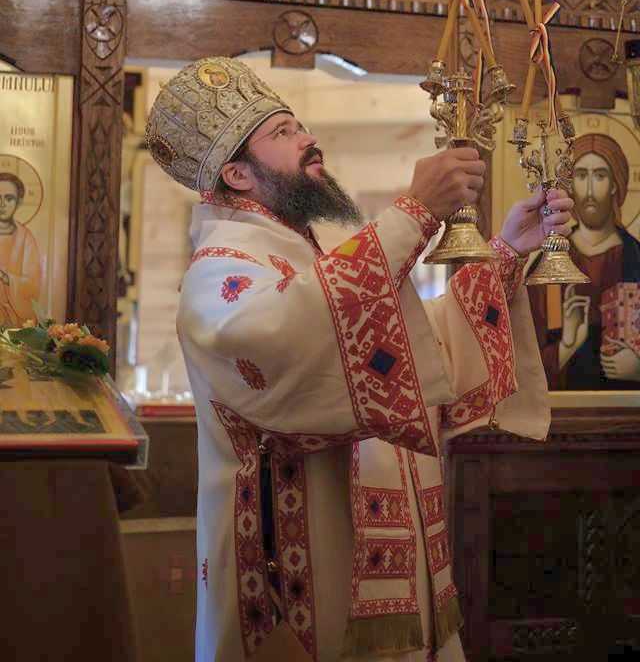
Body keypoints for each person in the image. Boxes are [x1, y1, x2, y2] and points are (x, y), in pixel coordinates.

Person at [146, 56, 571, 662]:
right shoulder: (220, 272)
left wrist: (504, 253)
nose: (307, 138)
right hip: (299, 577)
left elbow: (409, 356)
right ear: (237, 174)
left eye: (299, 125)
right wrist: (414, 213)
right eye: (283, 132)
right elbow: (291, 339)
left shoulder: (302, 257)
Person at [529, 133, 640, 389]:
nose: (589, 191)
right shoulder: (549, 264)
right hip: (562, 412)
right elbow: (522, 360)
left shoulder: (636, 259)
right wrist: (566, 346)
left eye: (599, 176)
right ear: (570, 185)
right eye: (581, 176)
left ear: (615, 184)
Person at [0, 173, 42, 327]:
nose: (2, 204)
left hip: (16, 320)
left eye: (9, 198)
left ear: (19, 202)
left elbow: (33, 285)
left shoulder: (26, 239)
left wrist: (6, 278)